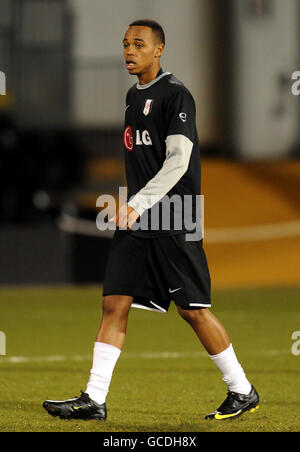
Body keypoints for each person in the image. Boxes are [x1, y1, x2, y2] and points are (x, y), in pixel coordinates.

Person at [43, 19, 259, 422]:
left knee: (193, 310)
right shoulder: (131, 95)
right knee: (113, 302)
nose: (129, 50)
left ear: (159, 50)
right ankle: (94, 399)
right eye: (125, 43)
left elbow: (178, 162)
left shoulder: (177, 96)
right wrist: (135, 207)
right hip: (139, 219)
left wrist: (137, 203)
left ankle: (242, 389)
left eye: (139, 44)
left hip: (175, 217)